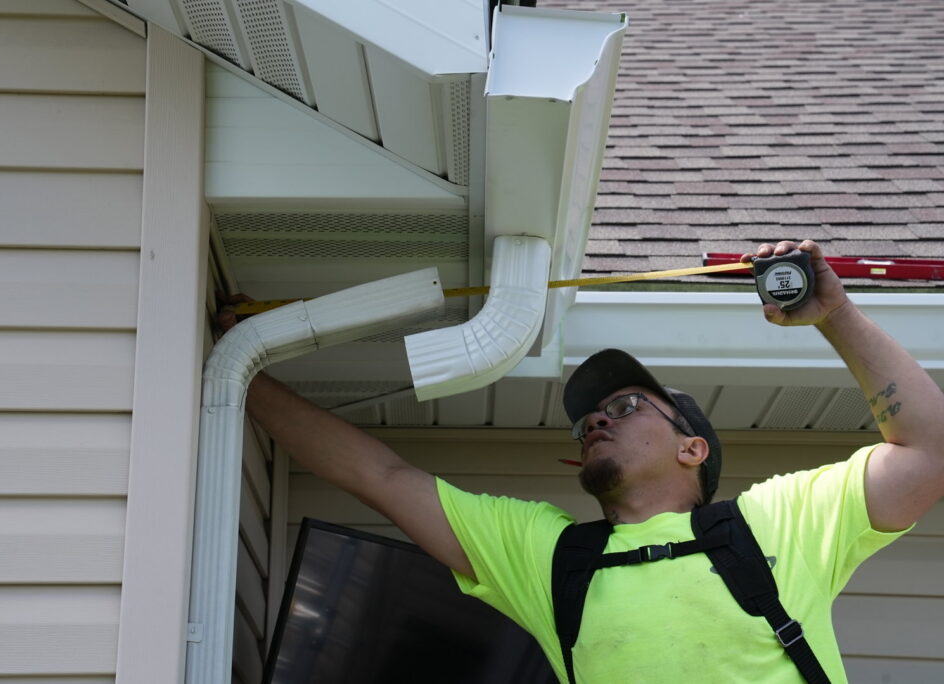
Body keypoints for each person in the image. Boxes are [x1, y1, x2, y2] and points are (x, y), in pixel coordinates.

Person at [219, 240, 944, 682]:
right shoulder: (549, 558)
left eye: (627, 407)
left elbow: (929, 450)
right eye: (590, 419)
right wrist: (239, 362)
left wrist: (836, 316)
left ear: (692, 448)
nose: (597, 418)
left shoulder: (778, 524)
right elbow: (379, 476)